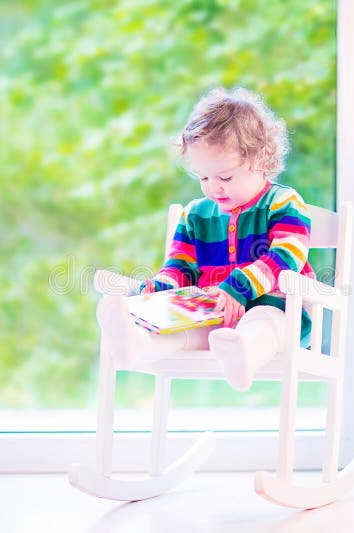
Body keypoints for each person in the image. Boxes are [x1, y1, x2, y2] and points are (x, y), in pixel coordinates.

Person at [96, 87, 315, 391]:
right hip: (212, 314)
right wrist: (155, 291)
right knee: (183, 333)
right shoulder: (194, 216)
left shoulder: (283, 203)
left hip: (276, 308)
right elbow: (179, 270)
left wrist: (239, 287)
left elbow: (287, 257)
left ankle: (244, 355)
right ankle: (136, 345)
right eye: (204, 178)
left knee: (262, 323)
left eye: (225, 177)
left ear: (261, 160)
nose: (214, 188)